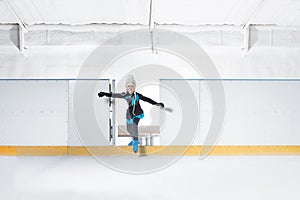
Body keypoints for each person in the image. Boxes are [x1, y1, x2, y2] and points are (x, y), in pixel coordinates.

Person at [98, 75, 164, 153]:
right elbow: (115, 95)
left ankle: (135, 142)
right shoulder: (125, 95)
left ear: (134, 87)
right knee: (129, 129)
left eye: (132, 86)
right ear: (126, 87)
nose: (130, 88)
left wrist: (157, 103)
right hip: (129, 114)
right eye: (129, 86)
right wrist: (105, 94)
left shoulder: (137, 95)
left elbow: (147, 99)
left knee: (134, 125)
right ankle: (134, 140)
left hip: (138, 114)